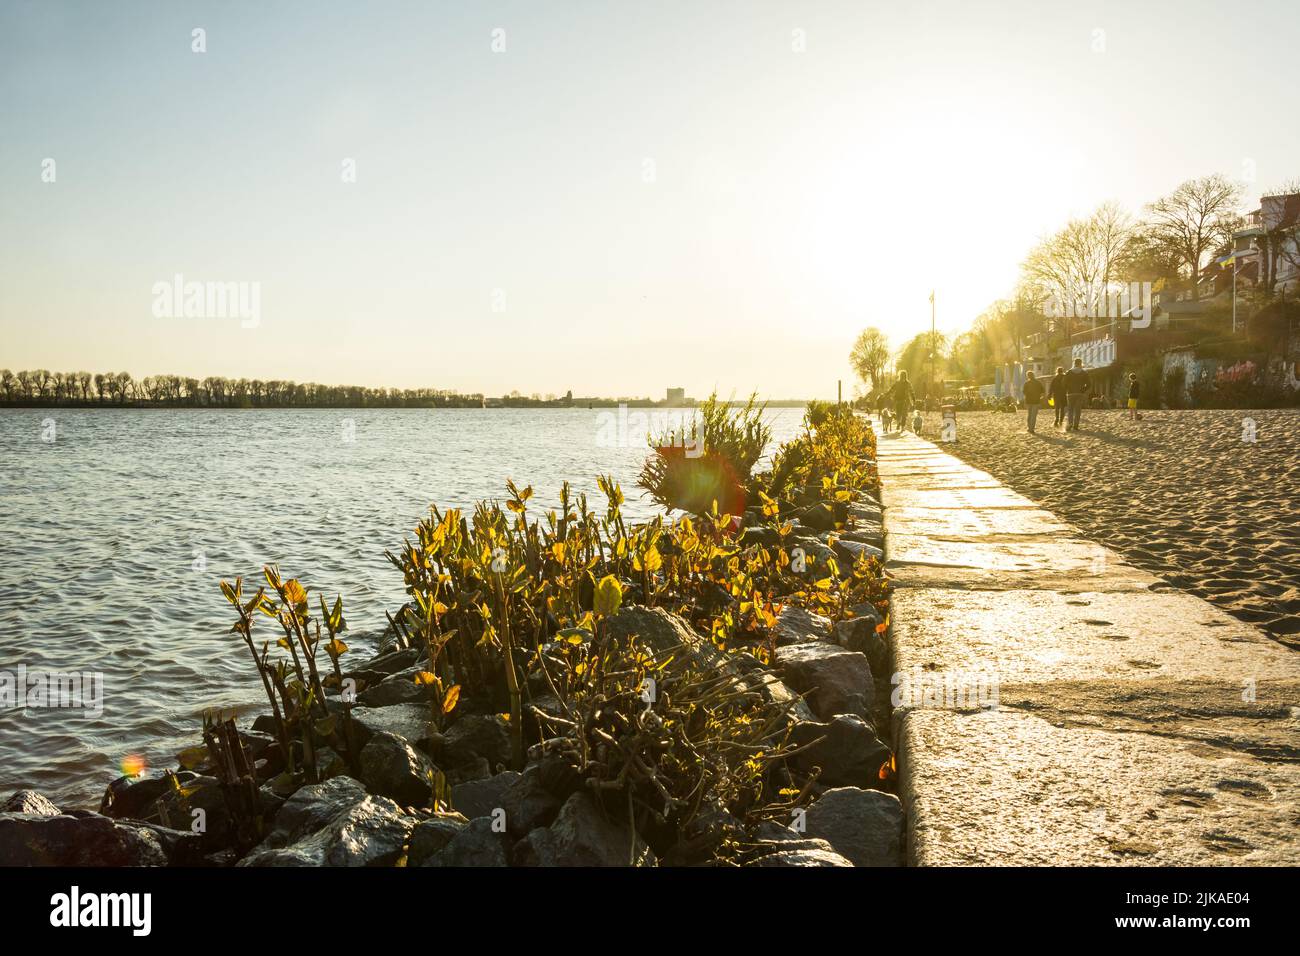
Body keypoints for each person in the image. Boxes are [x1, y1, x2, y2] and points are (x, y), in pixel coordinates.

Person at [1064, 358, 1090, 431]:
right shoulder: (1084, 373)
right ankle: (1076, 426)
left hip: (1070, 394)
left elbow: (1064, 383)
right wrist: (1083, 389)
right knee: (1078, 410)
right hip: (1080, 394)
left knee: (1070, 410)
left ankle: (1070, 424)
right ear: (1081, 363)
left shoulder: (1069, 372)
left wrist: (1067, 389)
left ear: (1074, 363)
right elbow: (1089, 384)